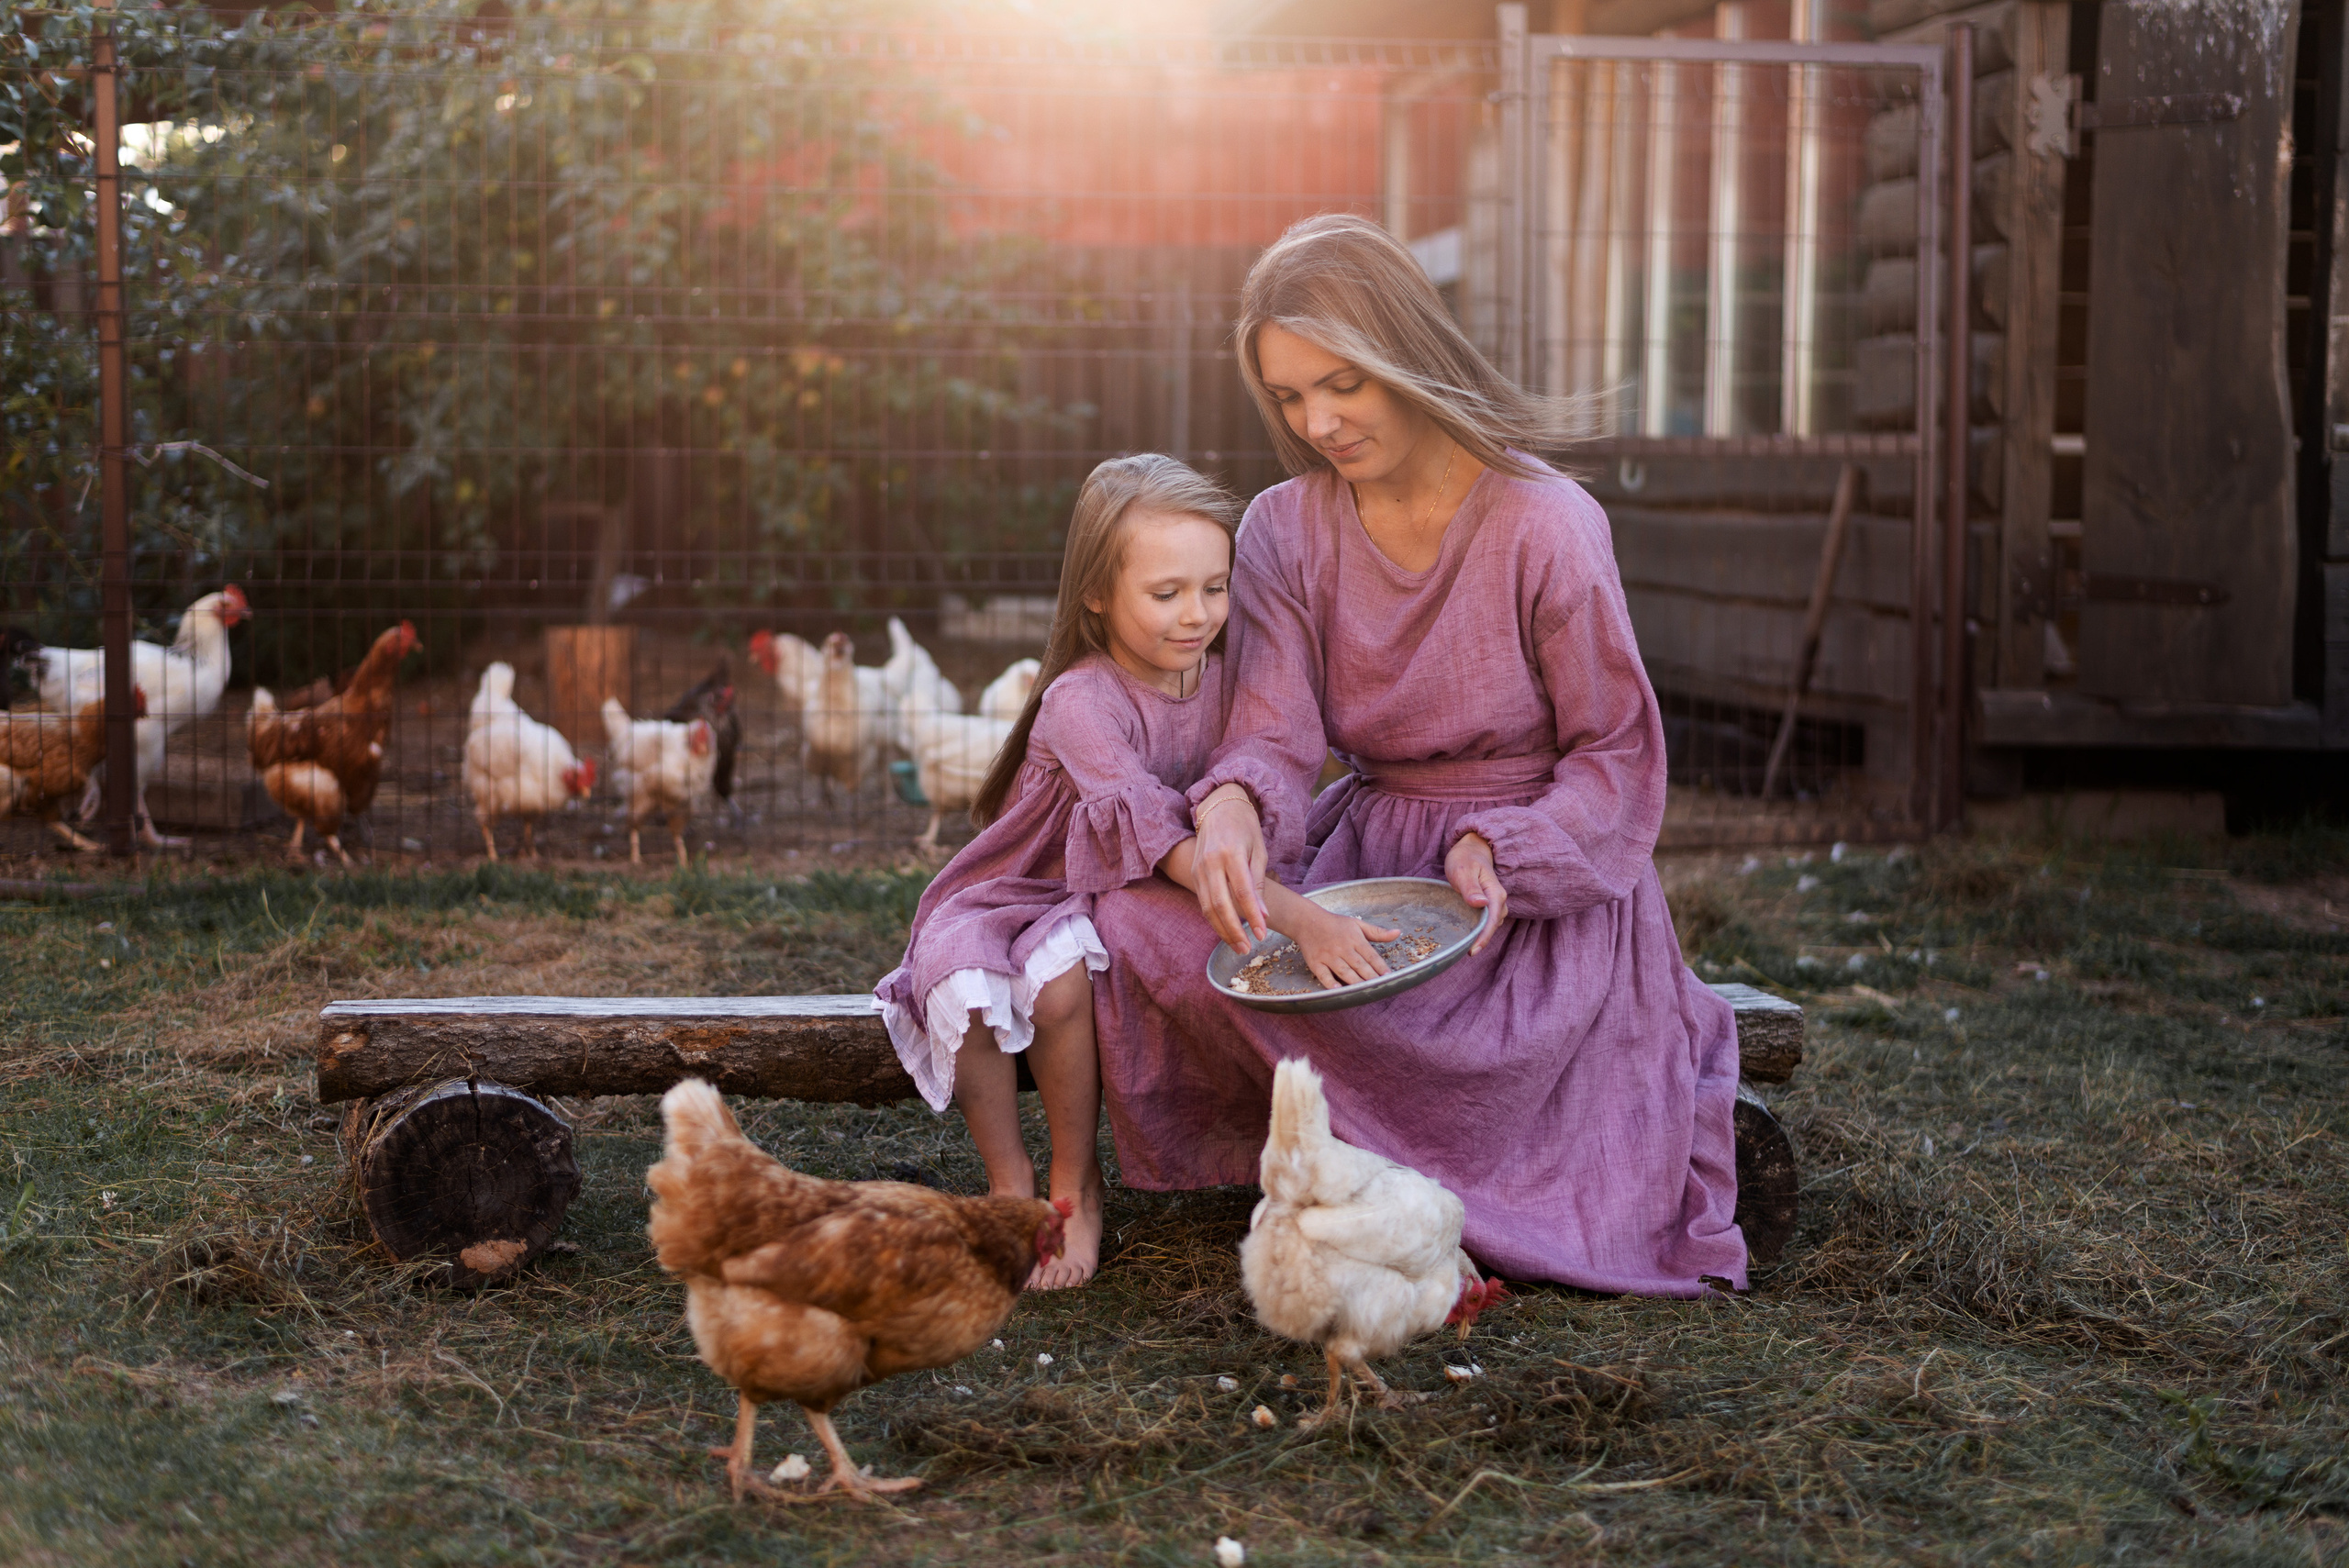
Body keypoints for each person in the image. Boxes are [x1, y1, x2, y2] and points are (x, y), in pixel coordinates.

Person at [1086, 215, 1750, 1296]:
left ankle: (1419, 1164)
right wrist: (1234, 812)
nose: (1319, 420)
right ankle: (1354, 1150)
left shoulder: (1547, 522)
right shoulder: (1280, 530)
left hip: (1519, 894)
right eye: (1291, 396)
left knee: (1426, 1021)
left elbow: (1614, 754)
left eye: (1341, 382)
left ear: (1407, 349)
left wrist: (1508, 843)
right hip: (1365, 852)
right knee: (1138, 921)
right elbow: (1269, 729)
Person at [874, 452, 1396, 1288]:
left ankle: (1076, 1181)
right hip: (1029, 885)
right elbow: (1164, 843)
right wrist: (1302, 918)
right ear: (1094, 594)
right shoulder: (1080, 701)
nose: (1197, 614)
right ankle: (1013, 1190)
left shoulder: (1225, 679)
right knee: (973, 982)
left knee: (1064, 985)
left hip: (1122, 886)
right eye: (1167, 594)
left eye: (1214, 588)